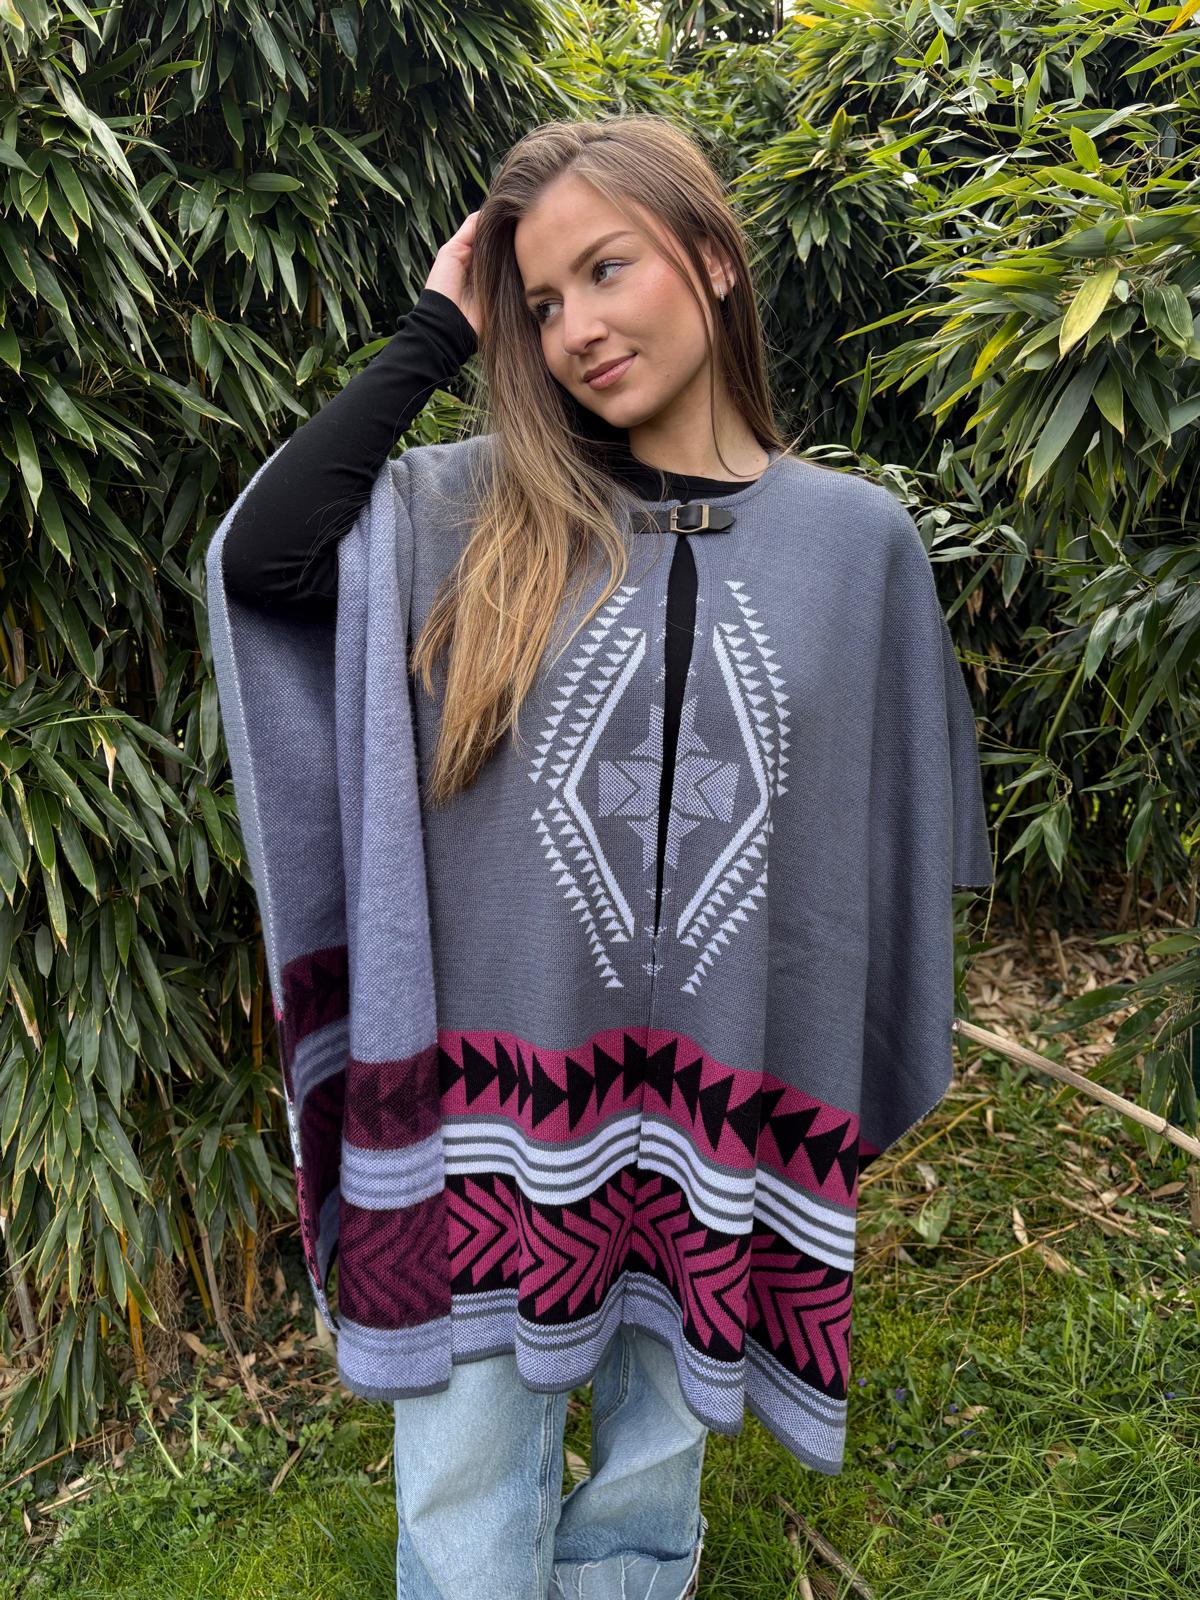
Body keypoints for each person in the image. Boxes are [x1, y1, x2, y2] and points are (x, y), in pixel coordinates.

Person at [206, 113, 993, 1600]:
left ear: (713, 258)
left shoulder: (857, 544)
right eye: (542, 301)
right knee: (464, 1482)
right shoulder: (472, 514)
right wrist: (441, 328)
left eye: (606, 270)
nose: (574, 328)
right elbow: (266, 562)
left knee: (653, 1457)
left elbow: (874, 841)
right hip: (494, 1113)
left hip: (717, 1100)